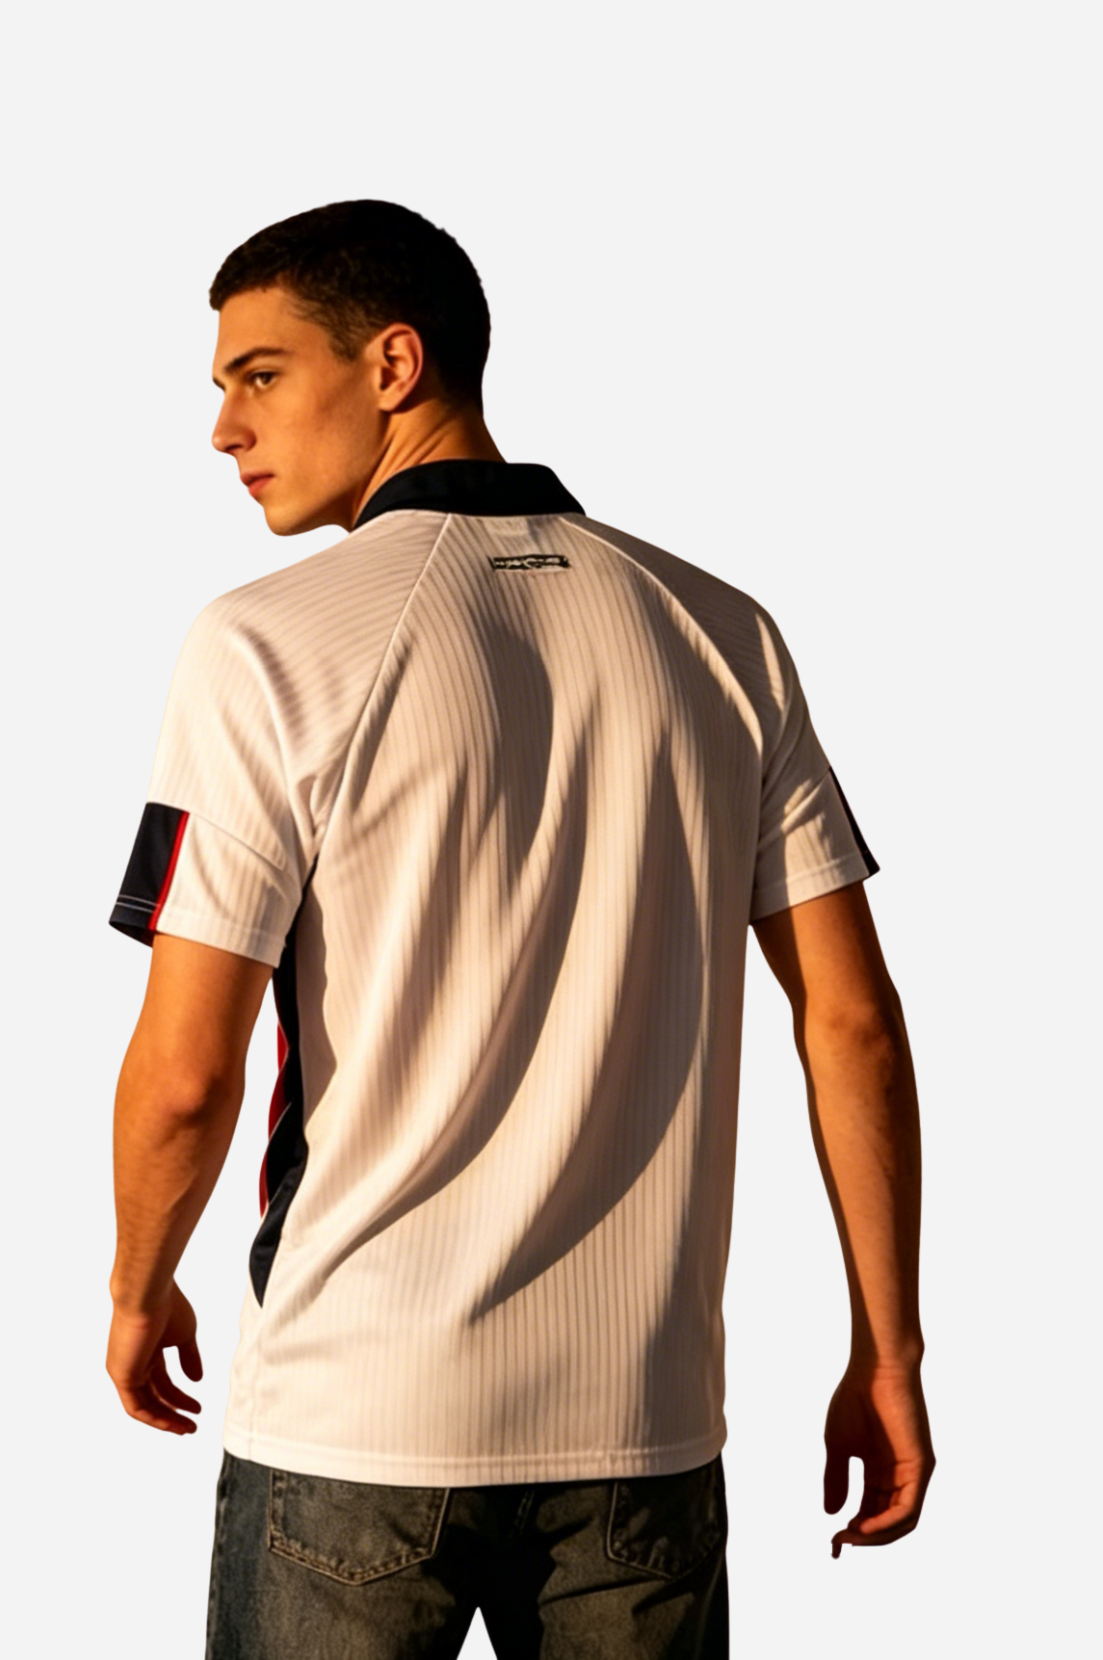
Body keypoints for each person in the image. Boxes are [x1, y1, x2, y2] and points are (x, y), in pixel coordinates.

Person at [104, 199, 934, 1659]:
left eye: (259, 376)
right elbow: (851, 1019)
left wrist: (136, 1284)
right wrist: (889, 1347)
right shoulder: (720, 631)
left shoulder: (264, 644)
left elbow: (186, 1074)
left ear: (393, 364)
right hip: (643, 1432)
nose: (224, 430)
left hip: (355, 1423)